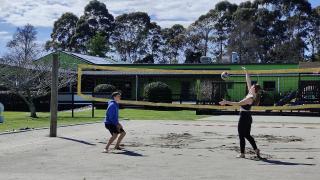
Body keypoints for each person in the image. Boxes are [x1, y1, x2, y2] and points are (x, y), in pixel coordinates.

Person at [219, 68, 261, 158]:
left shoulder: (250, 98)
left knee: (241, 135)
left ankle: (242, 154)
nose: (251, 86)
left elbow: (238, 104)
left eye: (253, 86)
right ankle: (256, 149)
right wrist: (246, 72)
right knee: (247, 135)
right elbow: (248, 81)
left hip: (244, 117)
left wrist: (226, 102)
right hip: (248, 117)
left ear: (254, 89)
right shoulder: (252, 93)